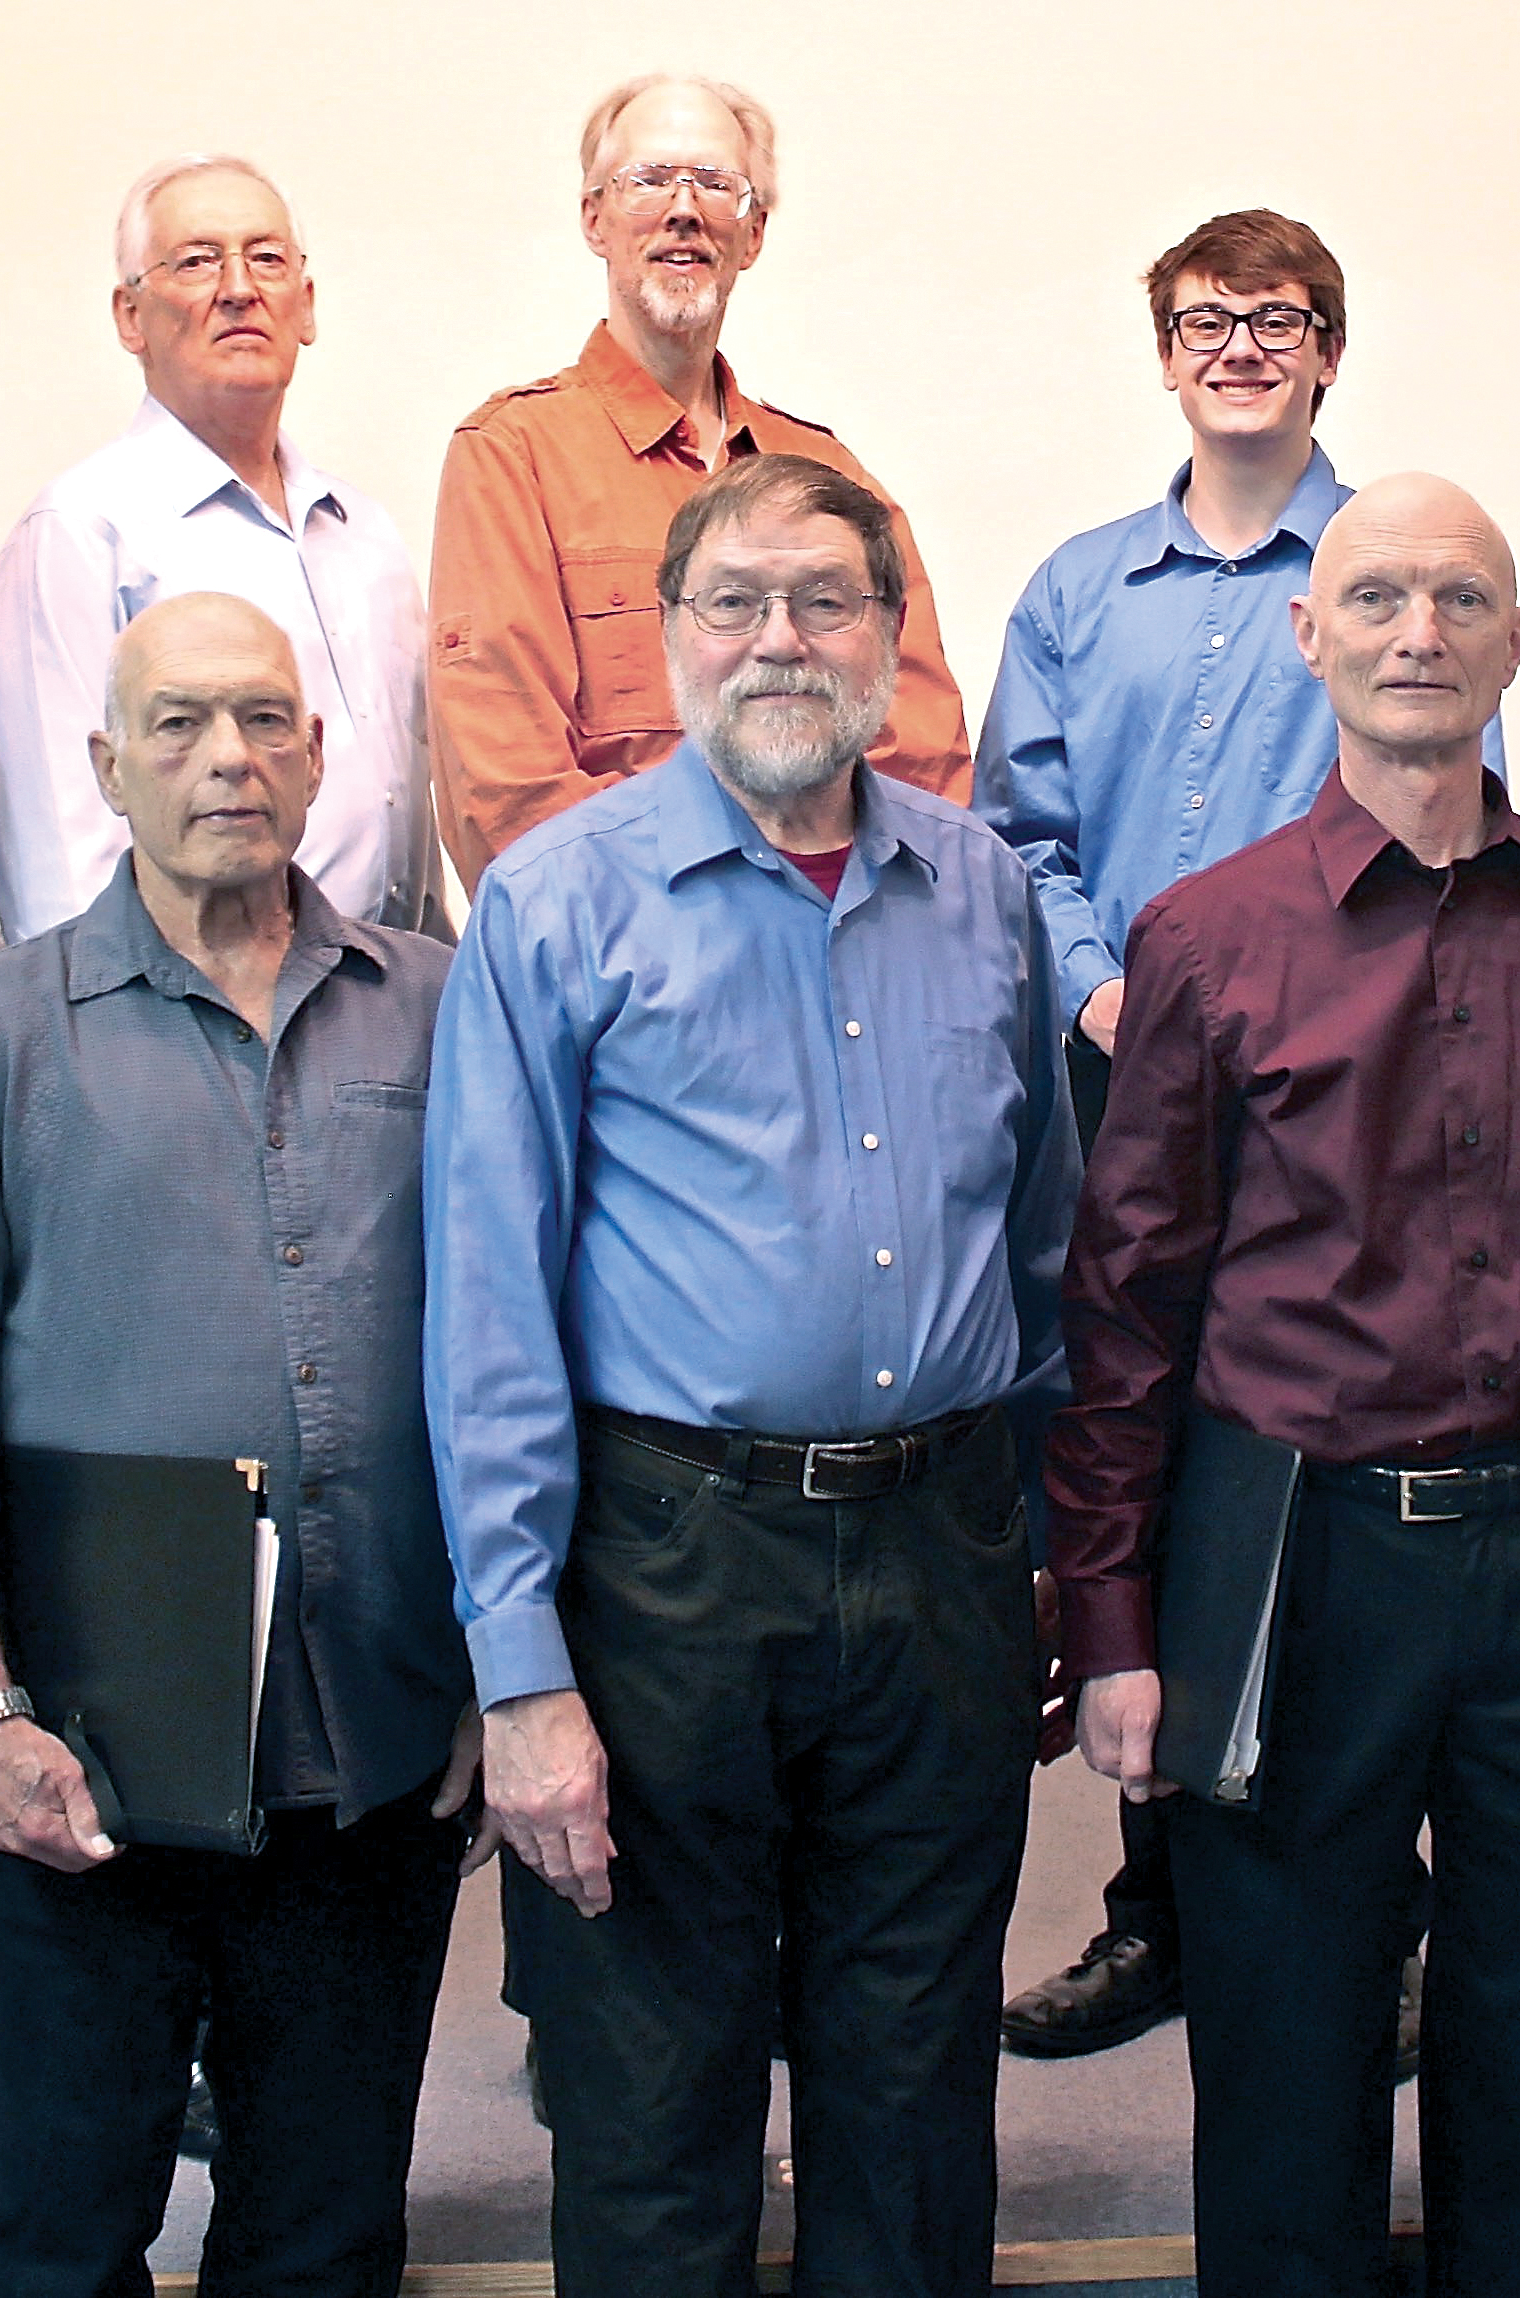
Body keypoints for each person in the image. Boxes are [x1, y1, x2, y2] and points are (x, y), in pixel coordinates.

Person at [1053, 473, 1520, 2298]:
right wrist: (1114, 1619)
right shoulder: (1208, 939)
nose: (1416, 632)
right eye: (1374, 596)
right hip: (1293, 1552)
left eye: (1460, 599)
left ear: (1516, 643)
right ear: (1310, 633)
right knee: (1286, 2075)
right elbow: (1127, 1302)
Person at [429, 454, 1072, 2295]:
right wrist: (521, 1671)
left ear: (890, 635)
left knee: (917, 2074)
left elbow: (1042, 1250)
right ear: (669, 640)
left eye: (825, 600)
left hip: (942, 1549)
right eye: (733, 602)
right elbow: (487, 1313)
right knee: (652, 2090)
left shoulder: (982, 893)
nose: (779, 638)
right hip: (668, 1566)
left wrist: (1036, 1541)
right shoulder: (556, 906)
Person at [0, 592, 475, 2297]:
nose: (228, 757)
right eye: (179, 724)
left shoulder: (441, 1010)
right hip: (87, 1767)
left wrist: (508, 1671)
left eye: (266, 718)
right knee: (51, 2232)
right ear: (106, 765)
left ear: (322, 754)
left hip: (372, 1748)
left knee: (327, 2238)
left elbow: (519, 1367)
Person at [977, 206, 1466, 2065]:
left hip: (1340, 1106)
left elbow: (1439, 809)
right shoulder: (1076, 591)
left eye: (1277, 318)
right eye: (1205, 317)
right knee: (1138, 1479)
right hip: (1120, 1080)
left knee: (1337, 1490)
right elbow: (1017, 845)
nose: (1240, 344)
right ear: (1162, 348)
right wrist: (1109, 989)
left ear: (1328, 348)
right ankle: (1159, 1900)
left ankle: (1379, 1906)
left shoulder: (1387, 563)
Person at [426, 74, 968, 887]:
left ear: (751, 236)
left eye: (715, 185)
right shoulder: (513, 456)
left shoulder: (830, 475)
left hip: (834, 960)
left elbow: (921, 760)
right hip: (622, 973)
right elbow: (504, 788)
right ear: (593, 220)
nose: (683, 208)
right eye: (647, 180)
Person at [0, 156, 441, 939]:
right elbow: (59, 862)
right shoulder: (81, 533)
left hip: (376, 1006)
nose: (238, 288)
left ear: (307, 305)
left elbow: (406, 817)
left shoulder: (364, 534)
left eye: (267, 259)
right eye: (195, 262)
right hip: (182, 1019)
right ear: (129, 316)